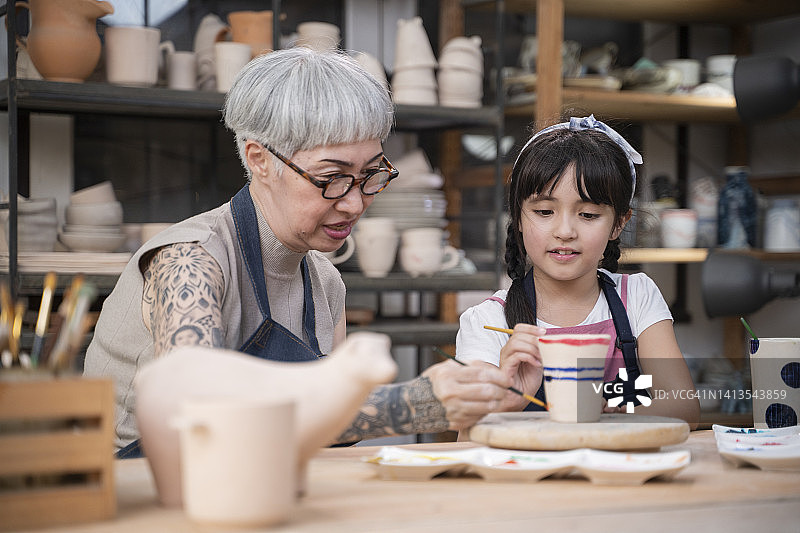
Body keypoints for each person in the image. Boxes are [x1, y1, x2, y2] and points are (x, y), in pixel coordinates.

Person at [83, 47, 516, 456]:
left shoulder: (325, 282)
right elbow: (198, 406)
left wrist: (477, 393)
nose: (355, 201)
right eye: (332, 177)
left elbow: (324, 426)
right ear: (259, 160)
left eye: (371, 174)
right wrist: (409, 404)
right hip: (140, 495)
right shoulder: (190, 260)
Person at [455, 115, 700, 428]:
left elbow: (684, 408)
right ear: (517, 216)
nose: (565, 231)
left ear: (619, 223)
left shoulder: (635, 297)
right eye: (544, 211)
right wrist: (509, 398)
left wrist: (602, 407)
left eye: (588, 214)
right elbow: (467, 440)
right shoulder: (489, 322)